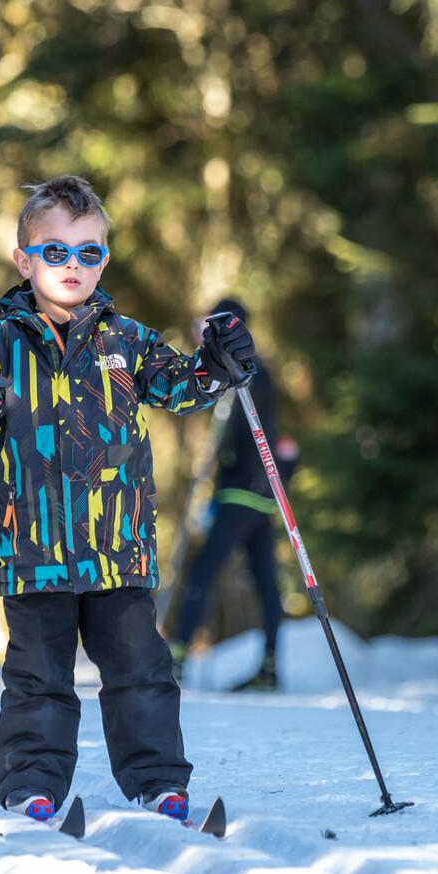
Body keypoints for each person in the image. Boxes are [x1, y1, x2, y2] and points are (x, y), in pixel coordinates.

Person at [0, 175, 256, 824]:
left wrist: (218, 364)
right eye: (55, 252)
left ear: (104, 257)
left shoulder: (126, 340)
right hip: (34, 550)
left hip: (117, 549)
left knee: (142, 673)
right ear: (24, 260)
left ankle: (159, 782)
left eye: (89, 252)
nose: (73, 266)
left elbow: (181, 386)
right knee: (38, 680)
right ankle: (31, 784)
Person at [168, 296, 295, 692]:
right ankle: (271, 666)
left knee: (203, 570)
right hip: (259, 490)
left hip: (242, 488)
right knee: (263, 579)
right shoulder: (261, 370)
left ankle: (177, 658)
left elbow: (241, 425)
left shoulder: (245, 370)